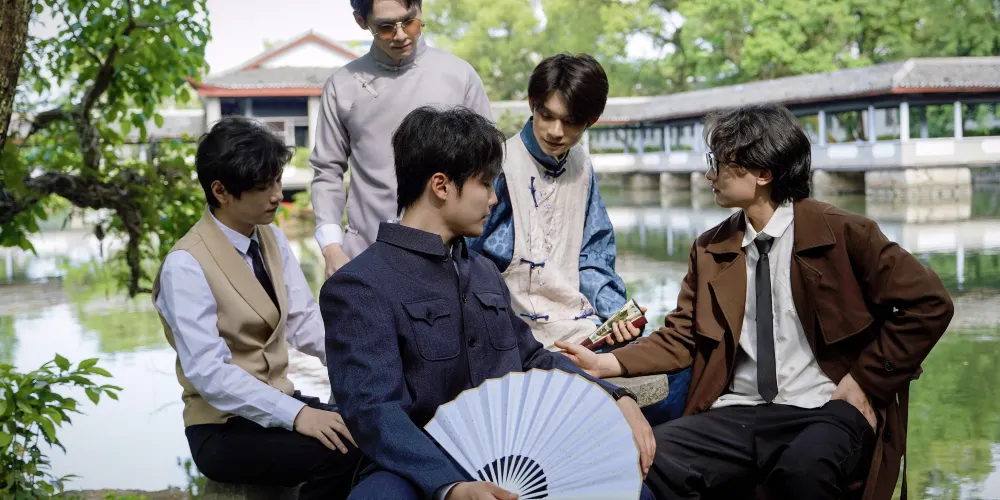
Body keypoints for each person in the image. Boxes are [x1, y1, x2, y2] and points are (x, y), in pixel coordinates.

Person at [557, 104, 955, 500]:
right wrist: (604, 363)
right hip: (738, 411)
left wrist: (864, 379)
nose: (709, 175)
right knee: (645, 461)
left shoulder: (845, 233)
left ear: (764, 173)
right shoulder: (710, 249)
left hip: (825, 407)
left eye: (719, 163)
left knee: (803, 471)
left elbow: (930, 303)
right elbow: (683, 337)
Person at [321, 106, 656, 500]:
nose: (495, 199)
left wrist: (616, 396)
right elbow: (374, 412)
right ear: (442, 186)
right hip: (416, 472)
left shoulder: (483, 272)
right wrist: (451, 487)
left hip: (520, 462)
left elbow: (532, 358)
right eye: (485, 184)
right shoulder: (360, 285)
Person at [152, 116, 360, 499]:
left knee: (371, 430)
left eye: (277, 181)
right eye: (264, 186)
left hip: (278, 404)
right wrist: (298, 415)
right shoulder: (185, 265)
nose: (277, 195)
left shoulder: (272, 238)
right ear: (220, 190)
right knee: (340, 453)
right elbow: (210, 374)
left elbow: (304, 322)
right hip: (221, 426)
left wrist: (362, 360)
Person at [469, 53, 642, 352]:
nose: (555, 132)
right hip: (510, 333)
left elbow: (594, 255)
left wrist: (615, 314)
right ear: (531, 105)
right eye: (547, 116)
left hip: (580, 327)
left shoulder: (581, 164)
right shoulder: (499, 165)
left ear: (591, 121)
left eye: (570, 122)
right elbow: (468, 258)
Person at [310, 0, 493, 278]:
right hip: (366, 255)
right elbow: (327, 171)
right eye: (385, 27)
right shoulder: (343, 84)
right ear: (361, 21)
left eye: (409, 22)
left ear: (420, 8)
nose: (400, 35)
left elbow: (486, 168)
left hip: (446, 260)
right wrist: (332, 248)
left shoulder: (459, 76)